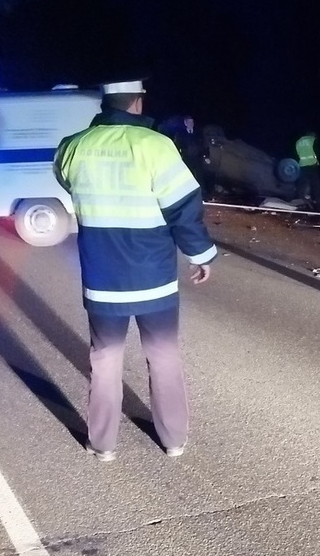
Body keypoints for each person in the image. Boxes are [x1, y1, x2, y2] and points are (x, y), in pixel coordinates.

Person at [56, 80, 217, 462]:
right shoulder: (155, 146)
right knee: (163, 356)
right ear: (137, 103)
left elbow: (64, 179)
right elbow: (183, 206)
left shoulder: (74, 145)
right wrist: (201, 254)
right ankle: (174, 439)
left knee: (105, 359)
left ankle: (103, 445)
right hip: (153, 278)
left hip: (102, 278)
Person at [295, 129, 320, 206]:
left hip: (302, 164)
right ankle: (319, 201)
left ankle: (301, 198)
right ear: (312, 134)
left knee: (303, 183)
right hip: (312, 164)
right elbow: (318, 151)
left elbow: (297, 153)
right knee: (316, 184)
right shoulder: (312, 140)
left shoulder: (299, 141)